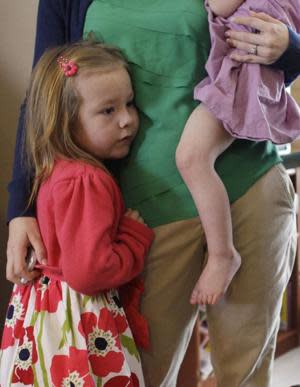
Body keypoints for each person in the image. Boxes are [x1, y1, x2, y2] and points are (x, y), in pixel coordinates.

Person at [5, 1, 300, 386]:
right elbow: (42, 98)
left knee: (245, 375)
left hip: (250, 189)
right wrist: (21, 207)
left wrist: (290, 47)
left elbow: (265, 65)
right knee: (136, 373)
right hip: (142, 217)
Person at [1, 40, 154, 386]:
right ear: (66, 121)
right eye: (108, 111)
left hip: (46, 312)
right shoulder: (86, 180)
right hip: (79, 318)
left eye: (129, 103)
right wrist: (133, 236)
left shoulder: (55, 167)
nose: (128, 120)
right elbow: (89, 271)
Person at [176, 0, 300, 306]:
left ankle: (222, 255)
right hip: (248, 73)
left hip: (244, 78)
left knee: (192, 157)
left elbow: (219, 5)